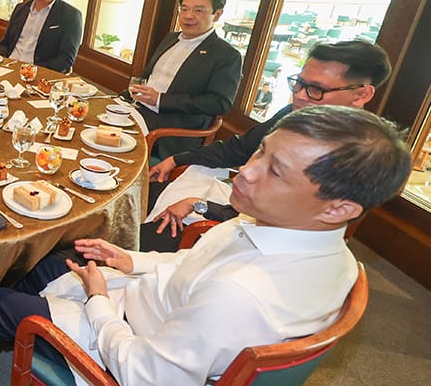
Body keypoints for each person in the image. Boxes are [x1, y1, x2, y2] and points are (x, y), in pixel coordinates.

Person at [0, 105, 410, 386]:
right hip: (153, 310)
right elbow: (194, 268)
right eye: (260, 151)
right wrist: (130, 261)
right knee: (50, 259)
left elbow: (141, 378)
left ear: (337, 208)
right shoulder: (316, 245)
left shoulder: (241, 295)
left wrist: (97, 302)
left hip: (135, 354)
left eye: (275, 171)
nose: (245, 171)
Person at [143, 39, 391, 252]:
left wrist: (201, 205)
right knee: (144, 193)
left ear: (361, 95)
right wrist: (178, 158)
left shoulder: (354, 155)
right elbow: (240, 148)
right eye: (299, 83)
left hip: (254, 238)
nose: (301, 95)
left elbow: (280, 220)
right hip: (239, 204)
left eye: (317, 89)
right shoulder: (295, 112)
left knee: (136, 241)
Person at [128, 0, 242, 160]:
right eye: (184, 9)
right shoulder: (171, 38)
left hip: (168, 130)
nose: (188, 16)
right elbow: (147, 78)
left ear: (217, 14)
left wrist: (160, 99)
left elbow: (220, 103)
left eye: (198, 11)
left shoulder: (226, 55)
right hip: (137, 109)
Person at [0, 0, 83, 72]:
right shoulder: (20, 8)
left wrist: (31, 71)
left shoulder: (71, 15)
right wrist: (2, 62)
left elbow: (65, 59)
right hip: (8, 66)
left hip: (38, 73)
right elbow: (4, 44)